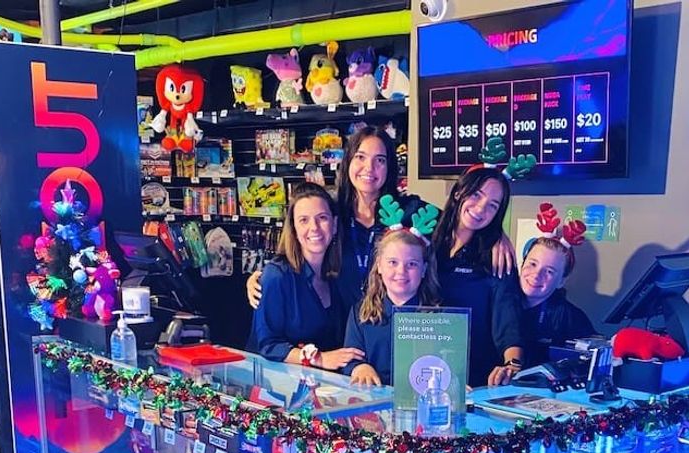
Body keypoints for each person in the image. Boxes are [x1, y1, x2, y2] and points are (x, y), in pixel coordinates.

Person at [246, 126, 517, 310]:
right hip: (339, 333)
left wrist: (497, 235)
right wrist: (265, 275)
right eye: (361, 157)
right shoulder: (332, 212)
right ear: (348, 162)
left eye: (380, 160)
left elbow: (460, 220)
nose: (369, 168)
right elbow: (300, 240)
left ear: (390, 168)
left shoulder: (411, 211)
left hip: (392, 331)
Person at [247, 183, 364, 369]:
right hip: (276, 387)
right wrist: (319, 358)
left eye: (322, 218)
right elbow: (268, 345)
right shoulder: (277, 276)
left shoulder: (339, 275)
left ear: (334, 226)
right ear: (293, 228)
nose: (314, 227)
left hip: (324, 386)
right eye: (304, 220)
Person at [431, 167, 524, 387]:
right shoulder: (425, 238)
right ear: (458, 193)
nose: (481, 209)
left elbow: (509, 323)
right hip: (421, 368)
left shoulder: (498, 258)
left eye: (493, 206)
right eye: (476, 195)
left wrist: (512, 366)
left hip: (474, 380)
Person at [342, 229, 441, 386]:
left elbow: (449, 366)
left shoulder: (441, 318)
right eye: (393, 262)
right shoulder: (361, 313)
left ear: (423, 270)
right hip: (374, 403)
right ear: (379, 266)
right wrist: (360, 367)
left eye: (412, 264)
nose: (401, 271)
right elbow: (351, 358)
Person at [519, 236, 595, 367]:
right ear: (522, 264)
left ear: (561, 281)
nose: (537, 275)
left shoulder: (570, 317)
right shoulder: (498, 301)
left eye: (549, 271)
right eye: (532, 264)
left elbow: (595, 353)